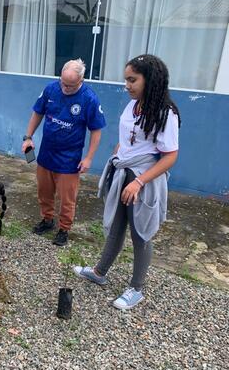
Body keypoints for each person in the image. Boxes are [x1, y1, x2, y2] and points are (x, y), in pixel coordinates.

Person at [74, 54, 180, 310]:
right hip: (123, 173)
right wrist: (116, 157)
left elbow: (170, 156)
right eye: (126, 80)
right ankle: (99, 272)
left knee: (140, 232)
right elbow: (127, 138)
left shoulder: (166, 114)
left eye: (132, 80)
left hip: (144, 179)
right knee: (116, 224)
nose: (127, 85)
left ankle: (137, 288)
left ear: (150, 79)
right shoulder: (132, 106)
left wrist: (139, 182)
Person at [22, 58, 106, 246]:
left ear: (81, 81)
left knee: (67, 198)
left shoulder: (89, 99)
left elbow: (96, 131)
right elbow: (38, 112)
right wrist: (28, 137)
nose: (65, 89)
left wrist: (89, 158)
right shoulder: (51, 89)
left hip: (69, 158)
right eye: (63, 83)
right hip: (46, 153)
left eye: (70, 86)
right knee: (44, 191)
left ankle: (64, 229)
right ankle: (47, 220)